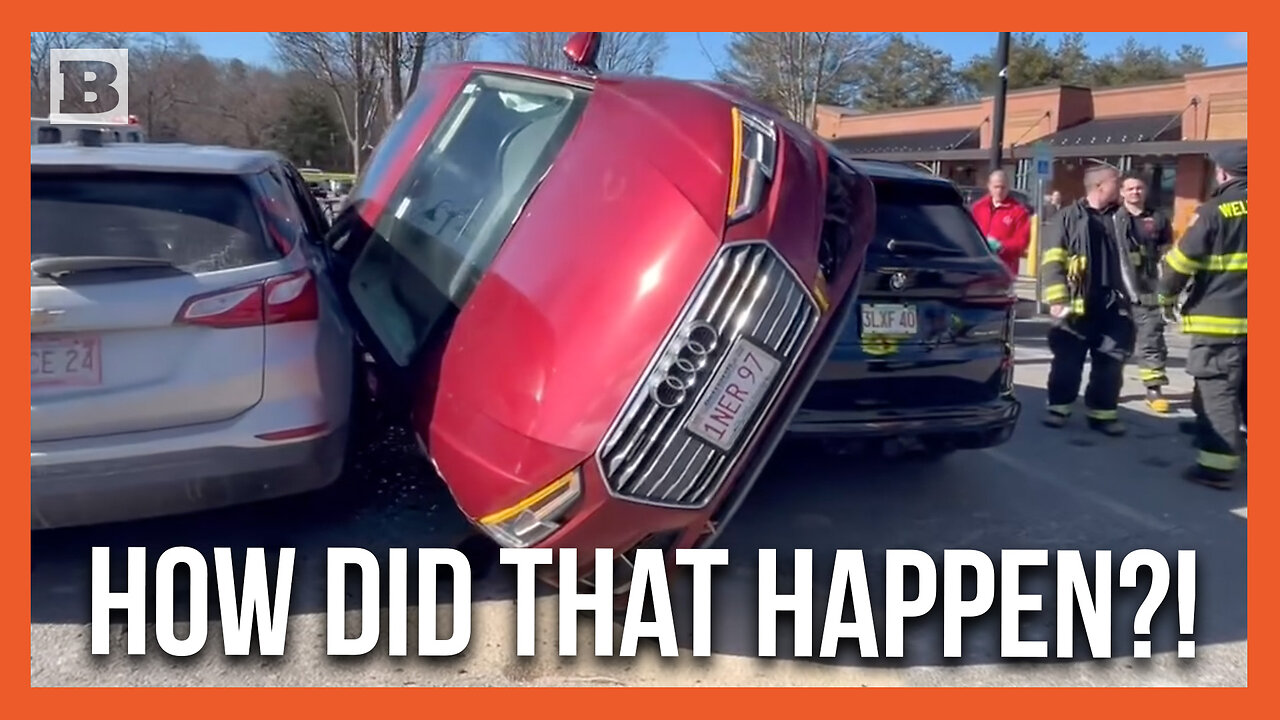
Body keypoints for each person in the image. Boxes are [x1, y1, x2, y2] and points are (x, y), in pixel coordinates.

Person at [1159, 144, 1247, 490]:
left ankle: (1217, 466)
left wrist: (1164, 296)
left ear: (1224, 173)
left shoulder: (1215, 211)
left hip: (1222, 320)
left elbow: (1181, 262)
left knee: (1217, 388)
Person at [1039, 164, 1141, 435]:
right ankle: (1059, 407)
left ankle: (1103, 414)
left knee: (1111, 362)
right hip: (1077, 303)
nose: (1120, 190)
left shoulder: (1123, 217)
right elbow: (1052, 260)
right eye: (1115, 184)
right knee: (1067, 361)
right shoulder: (1067, 218)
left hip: (1114, 305)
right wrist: (1058, 298)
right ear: (1099, 187)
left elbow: (1140, 258)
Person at [1115, 175, 1175, 413]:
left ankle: (1154, 389)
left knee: (1152, 339)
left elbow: (1167, 251)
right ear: (1122, 192)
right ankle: (1110, 387)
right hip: (1118, 291)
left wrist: (1168, 284)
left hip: (1149, 288)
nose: (1135, 192)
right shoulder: (1114, 218)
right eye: (1130, 188)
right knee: (1116, 341)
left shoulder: (1158, 218)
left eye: (1139, 188)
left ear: (1145, 190)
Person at [971, 169, 1032, 276]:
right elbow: (968, 232)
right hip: (979, 266)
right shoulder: (978, 208)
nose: (999, 191)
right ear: (989, 186)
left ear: (1008, 187)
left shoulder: (1018, 212)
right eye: (996, 187)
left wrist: (1001, 246)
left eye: (1003, 187)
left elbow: (1022, 242)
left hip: (1004, 269)